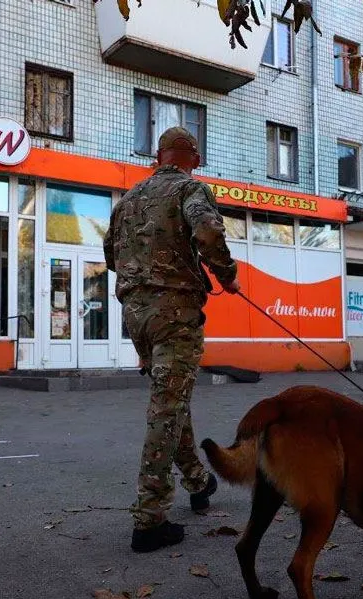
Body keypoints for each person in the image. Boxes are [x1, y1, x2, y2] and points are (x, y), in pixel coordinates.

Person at [105, 126, 241, 553]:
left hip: (136, 314)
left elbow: (111, 253)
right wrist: (226, 275)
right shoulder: (190, 188)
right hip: (175, 313)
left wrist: (142, 278)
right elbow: (207, 232)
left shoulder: (128, 199)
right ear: (193, 158)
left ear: (159, 155)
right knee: (166, 406)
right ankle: (150, 518)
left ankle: (198, 482)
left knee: (171, 398)